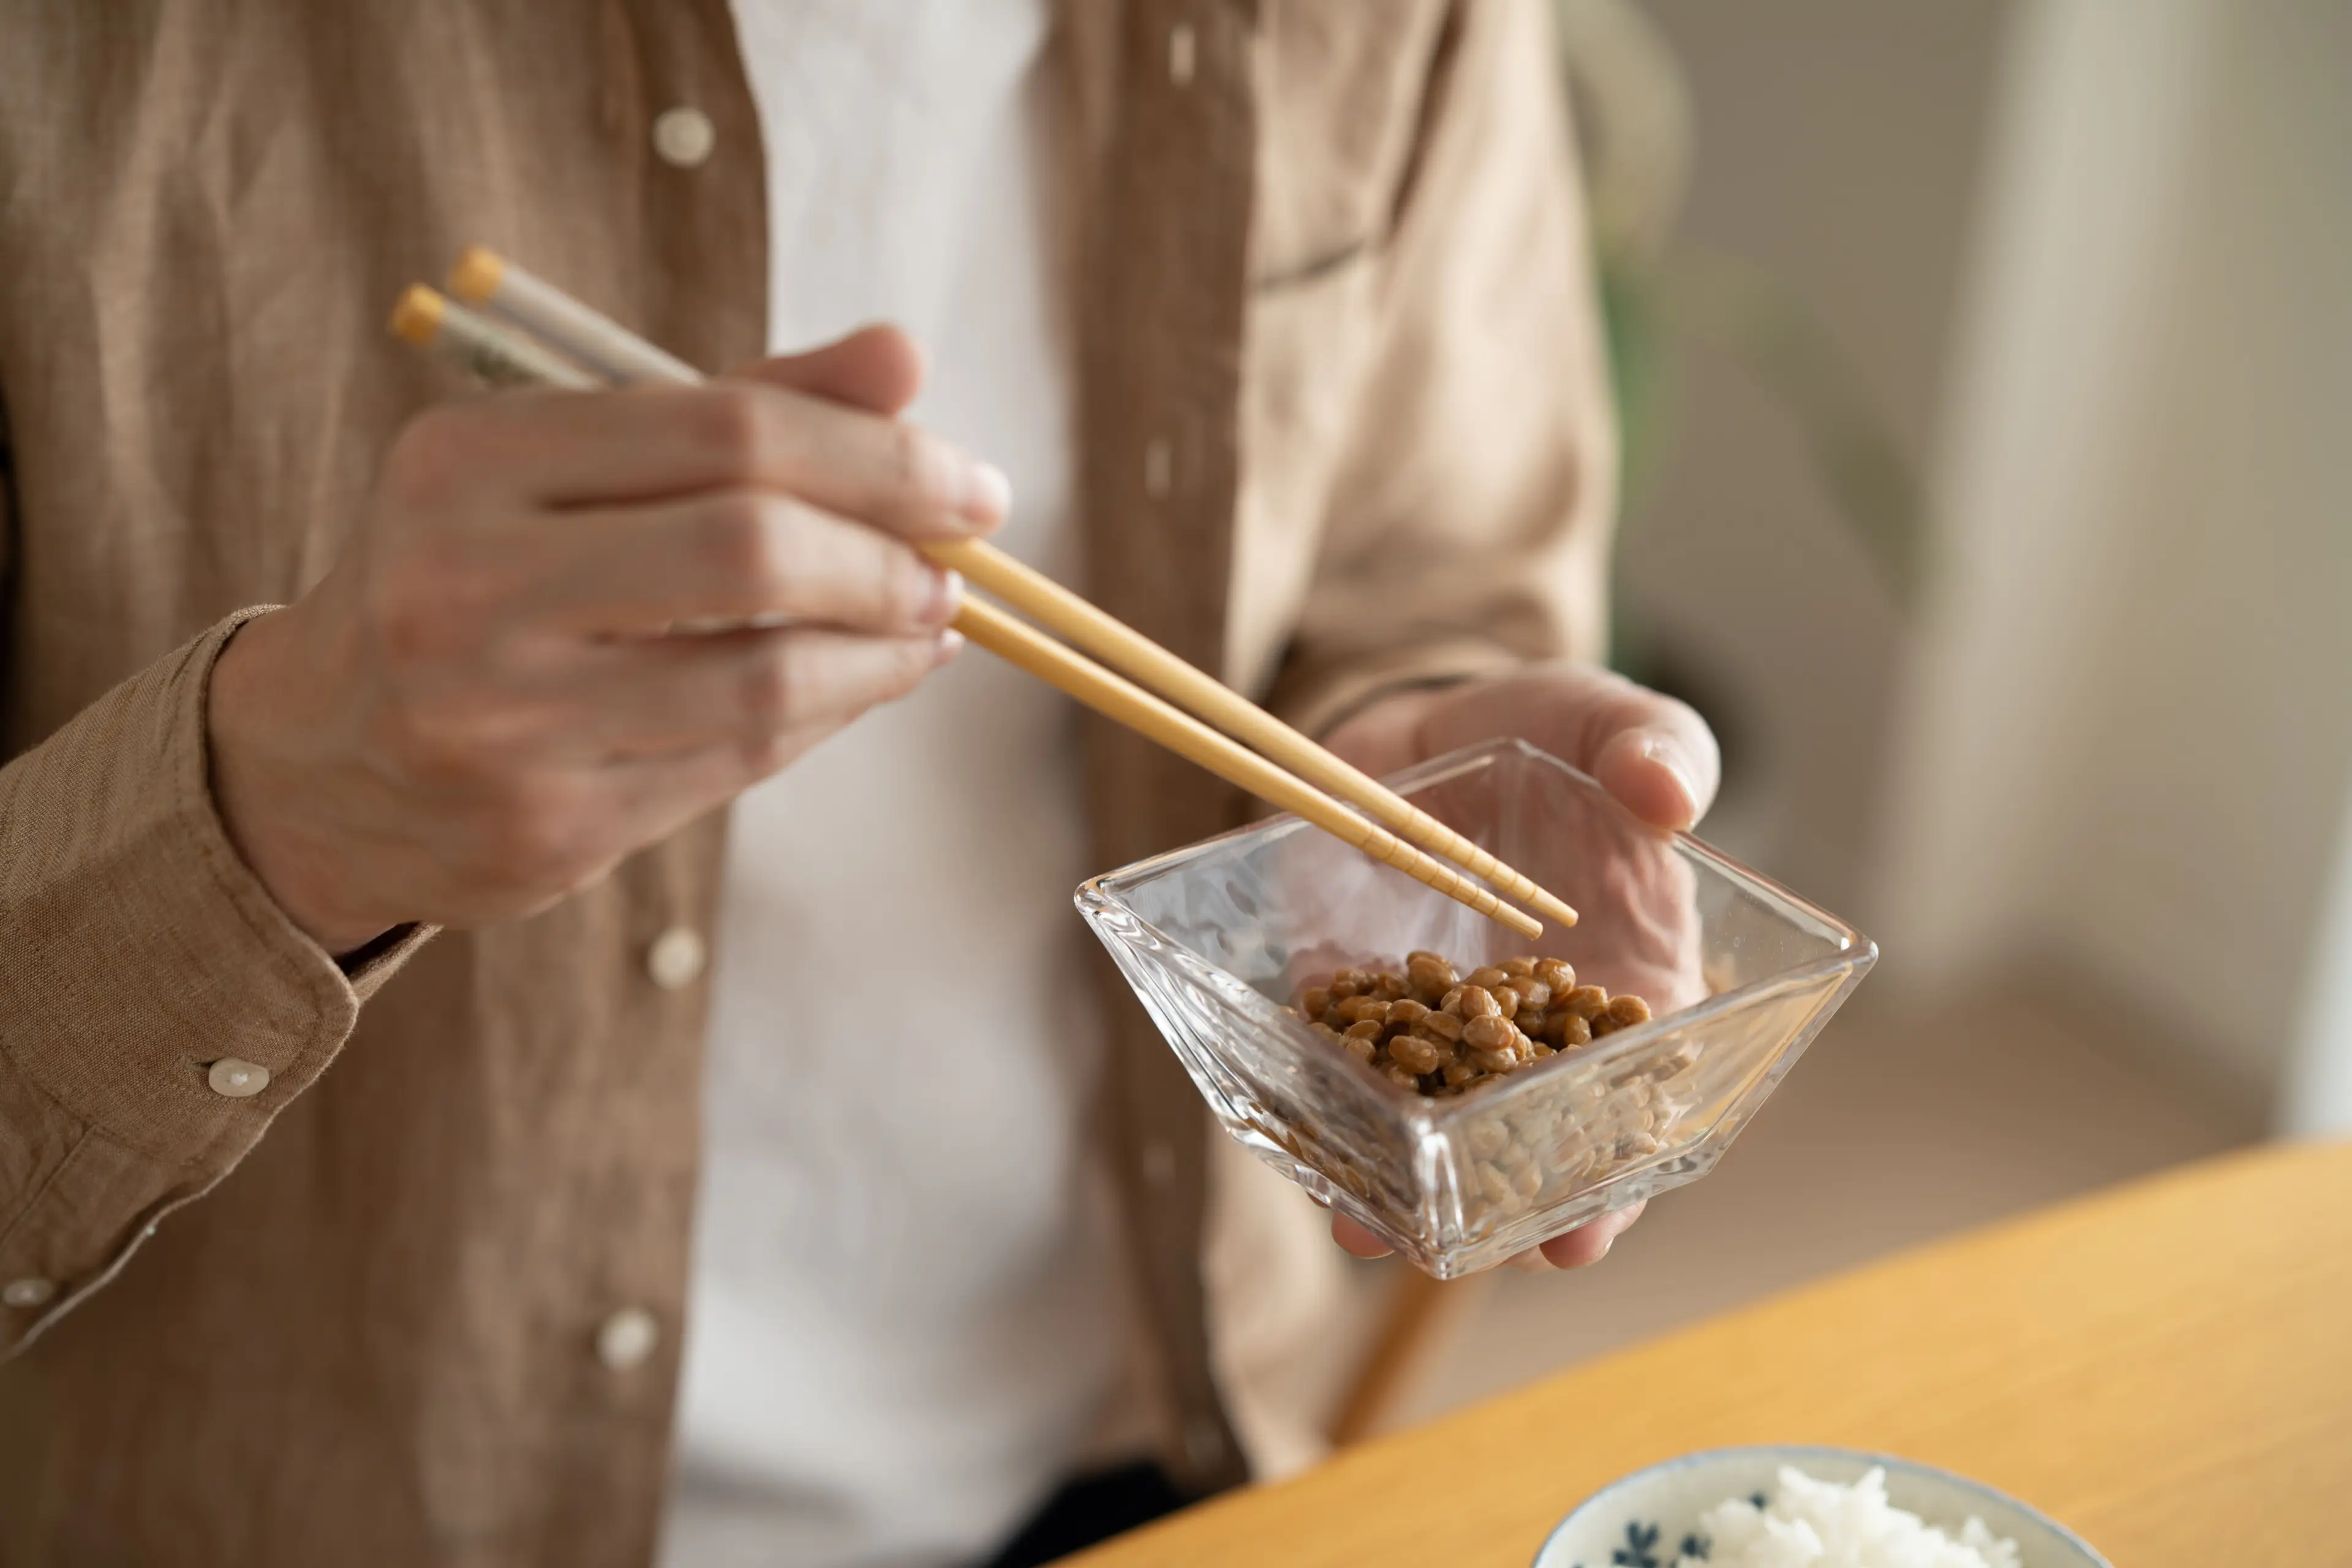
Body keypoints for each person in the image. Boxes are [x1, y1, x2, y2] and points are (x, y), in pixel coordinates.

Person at [0, 2, 1719, 1565]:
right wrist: (277, 808)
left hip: (1134, 1440)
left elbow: (1432, 570)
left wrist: (1408, 746)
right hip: (310, 1503)